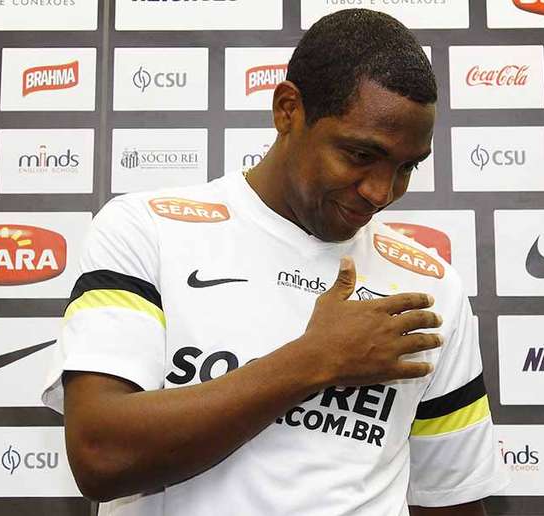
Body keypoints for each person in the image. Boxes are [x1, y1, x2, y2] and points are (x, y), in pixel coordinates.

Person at [42, 8, 509, 516]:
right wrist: (314, 360)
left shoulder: (430, 287)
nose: (381, 191)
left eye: (407, 167)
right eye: (359, 155)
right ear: (288, 110)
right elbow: (101, 455)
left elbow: (451, 503)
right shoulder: (147, 230)